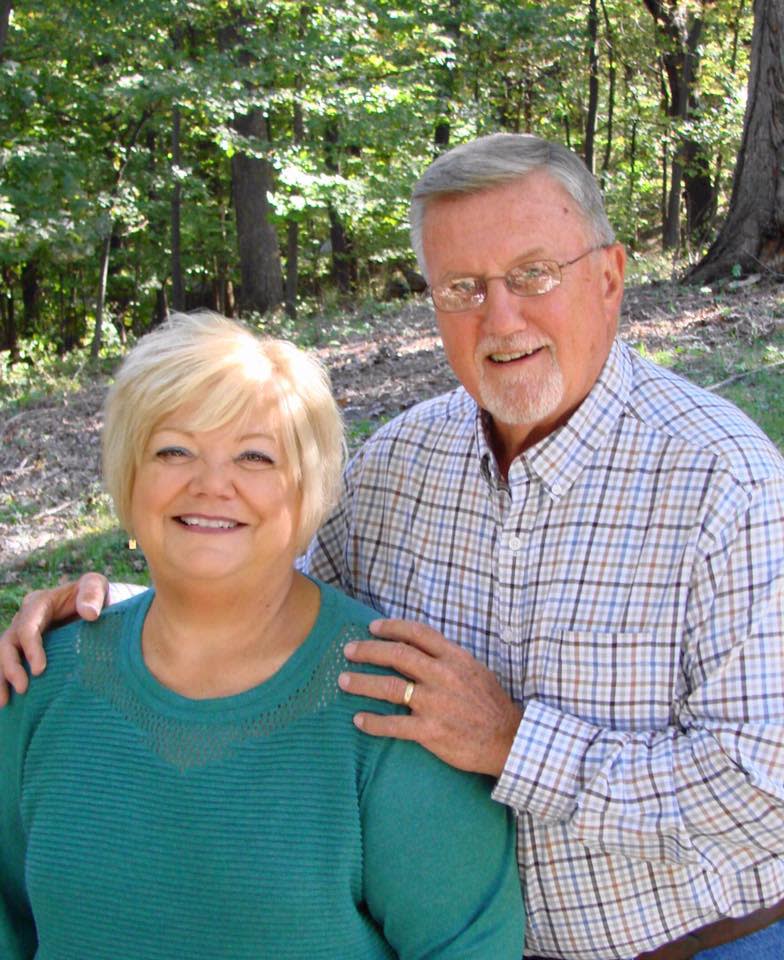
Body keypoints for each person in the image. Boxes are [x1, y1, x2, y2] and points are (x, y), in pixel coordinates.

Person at [1, 133, 783, 959]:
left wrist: (515, 742)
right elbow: (264, 603)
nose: (501, 317)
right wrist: (112, 621)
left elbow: (767, 787)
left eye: (532, 275)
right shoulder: (399, 464)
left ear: (609, 277)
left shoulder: (726, 485)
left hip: (696, 945)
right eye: (462, 288)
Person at [0, 311, 524, 959]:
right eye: (173, 449)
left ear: (307, 494)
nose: (211, 483)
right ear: (127, 479)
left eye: (254, 456)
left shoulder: (392, 704)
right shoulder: (39, 679)